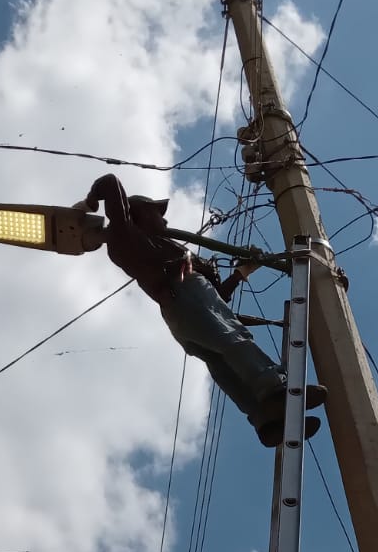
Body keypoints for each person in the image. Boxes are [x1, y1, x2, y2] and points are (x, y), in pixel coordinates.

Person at [81, 173, 324, 448]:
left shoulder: (154, 245)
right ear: (141, 214)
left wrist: (240, 273)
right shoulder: (126, 236)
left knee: (222, 363)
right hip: (183, 295)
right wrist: (90, 202)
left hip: (183, 305)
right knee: (234, 341)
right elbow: (112, 181)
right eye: (157, 213)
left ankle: (266, 417)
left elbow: (217, 301)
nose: (165, 221)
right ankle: (276, 389)